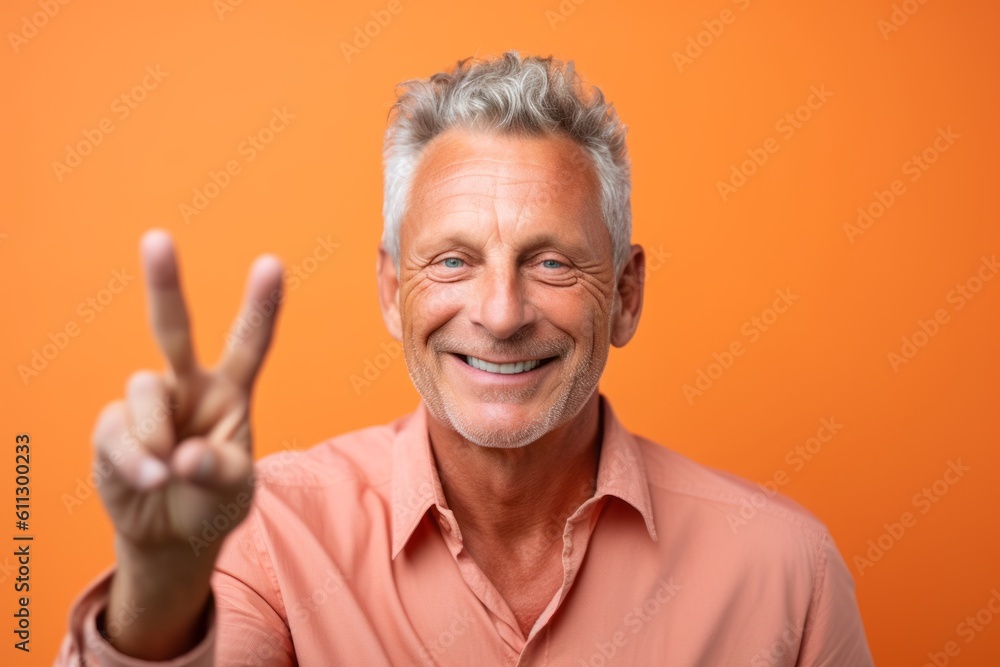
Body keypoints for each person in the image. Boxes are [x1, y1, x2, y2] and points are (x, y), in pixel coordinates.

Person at [57, 51, 873, 666]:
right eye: (453, 260)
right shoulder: (264, 535)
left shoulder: (785, 572)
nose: (500, 312)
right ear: (392, 290)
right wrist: (159, 587)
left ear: (625, 294)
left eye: (551, 261)